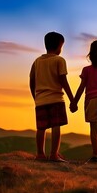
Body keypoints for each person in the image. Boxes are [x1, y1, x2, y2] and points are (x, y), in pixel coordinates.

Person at [29, 31, 74, 162]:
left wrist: (35, 97)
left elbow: (32, 81)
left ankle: (40, 154)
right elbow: (63, 81)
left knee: (41, 127)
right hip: (56, 99)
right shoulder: (59, 60)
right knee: (56, 126)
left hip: (40, 99)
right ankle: (54, 154)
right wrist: (72, 100)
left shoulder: (37, 61)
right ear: (59, 46)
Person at [70, 40, 97, 163]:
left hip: (91, 100)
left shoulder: (86, 70)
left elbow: (81, 87)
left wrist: (74, 102)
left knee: (94, 128)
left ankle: (95, 154)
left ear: (91, 54)